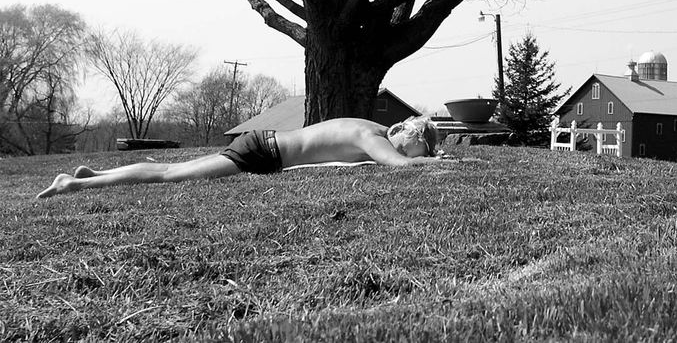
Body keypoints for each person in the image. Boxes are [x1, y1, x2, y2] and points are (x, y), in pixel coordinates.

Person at [37, 116, 443, 199]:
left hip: (265, 144)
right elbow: (399, 166)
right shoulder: (369, 136)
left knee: (171, 171)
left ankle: (95, 171)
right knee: (170, 175)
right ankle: (74, 184)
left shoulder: (368, 125)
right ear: (408, 134)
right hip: (263, 151)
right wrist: (447, 163)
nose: (413, 153)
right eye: (419, 147)